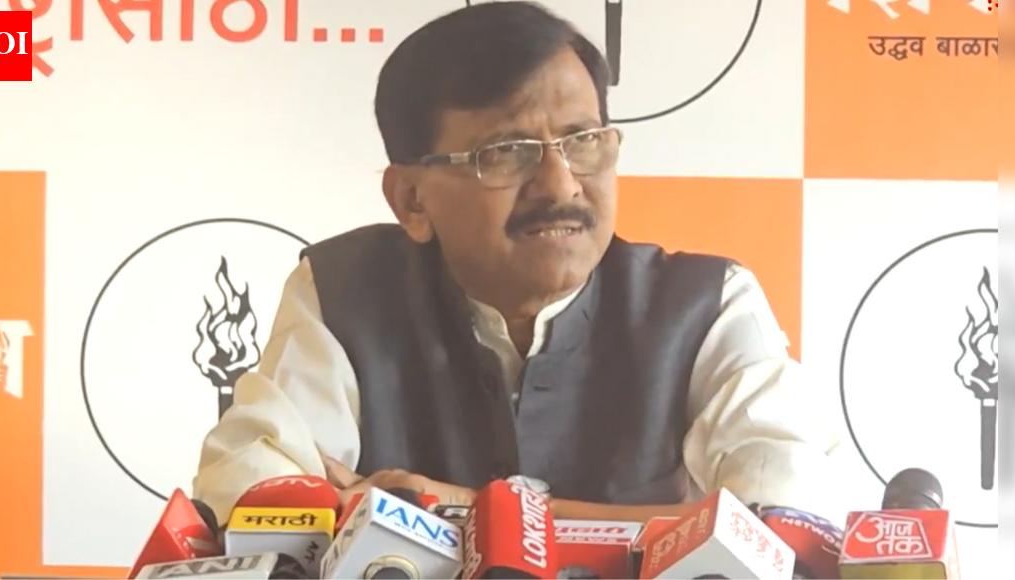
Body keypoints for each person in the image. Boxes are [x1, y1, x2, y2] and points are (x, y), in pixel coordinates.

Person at [193, 1, 841, 525]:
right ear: (412, 198)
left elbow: (783, 523)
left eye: (583, 141)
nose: (560, 185)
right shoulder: (344, 291)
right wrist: (676, 523)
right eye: (505, 152)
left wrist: (459, 509)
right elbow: (250, 496)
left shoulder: (706, 305)